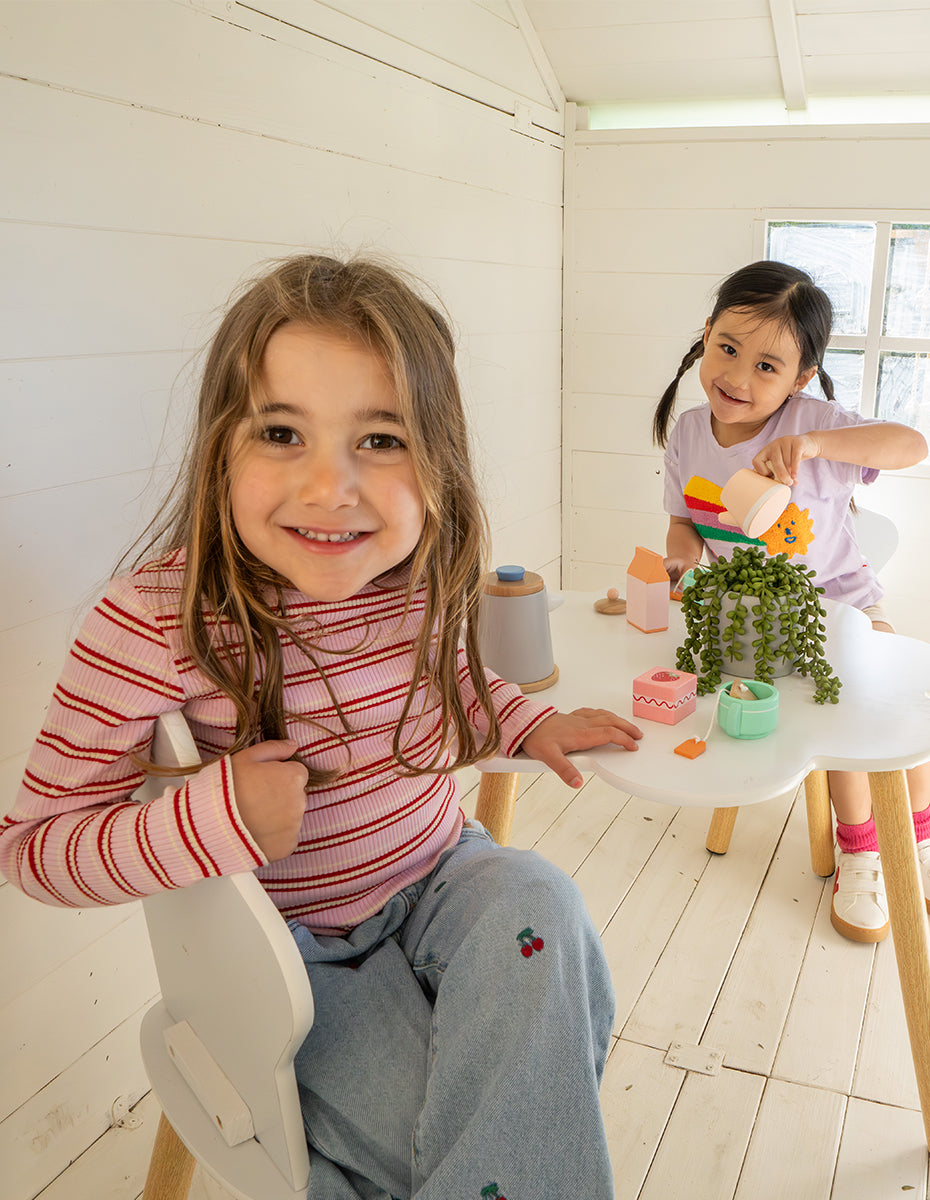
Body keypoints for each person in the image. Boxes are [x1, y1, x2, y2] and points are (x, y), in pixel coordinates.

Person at [0, 254, 643, 1200]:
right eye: (281, 432)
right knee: (461, 1148)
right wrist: (217, 818)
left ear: (438, 460)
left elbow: (450, 693)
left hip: (442, 877)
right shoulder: (151, 620)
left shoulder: (418, 579)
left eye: (381, 440)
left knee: (544, 901)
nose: (330, 486)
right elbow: (34, 851)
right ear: (221, 444)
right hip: (294, 956)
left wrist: (524, 718)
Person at [653, 259, 930, 944]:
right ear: (706, 335)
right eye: (728, 349)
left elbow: (911, 444)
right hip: (744, 619)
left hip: (842, 605)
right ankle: (860, 851)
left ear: (800, 378)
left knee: (887, 703)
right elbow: (683, 521)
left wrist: (814, 442)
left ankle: (913, 842)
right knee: (815, 722)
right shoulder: (688, 433)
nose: (739, 378)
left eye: (768, 367)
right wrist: (680, 559)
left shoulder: (813, 425)